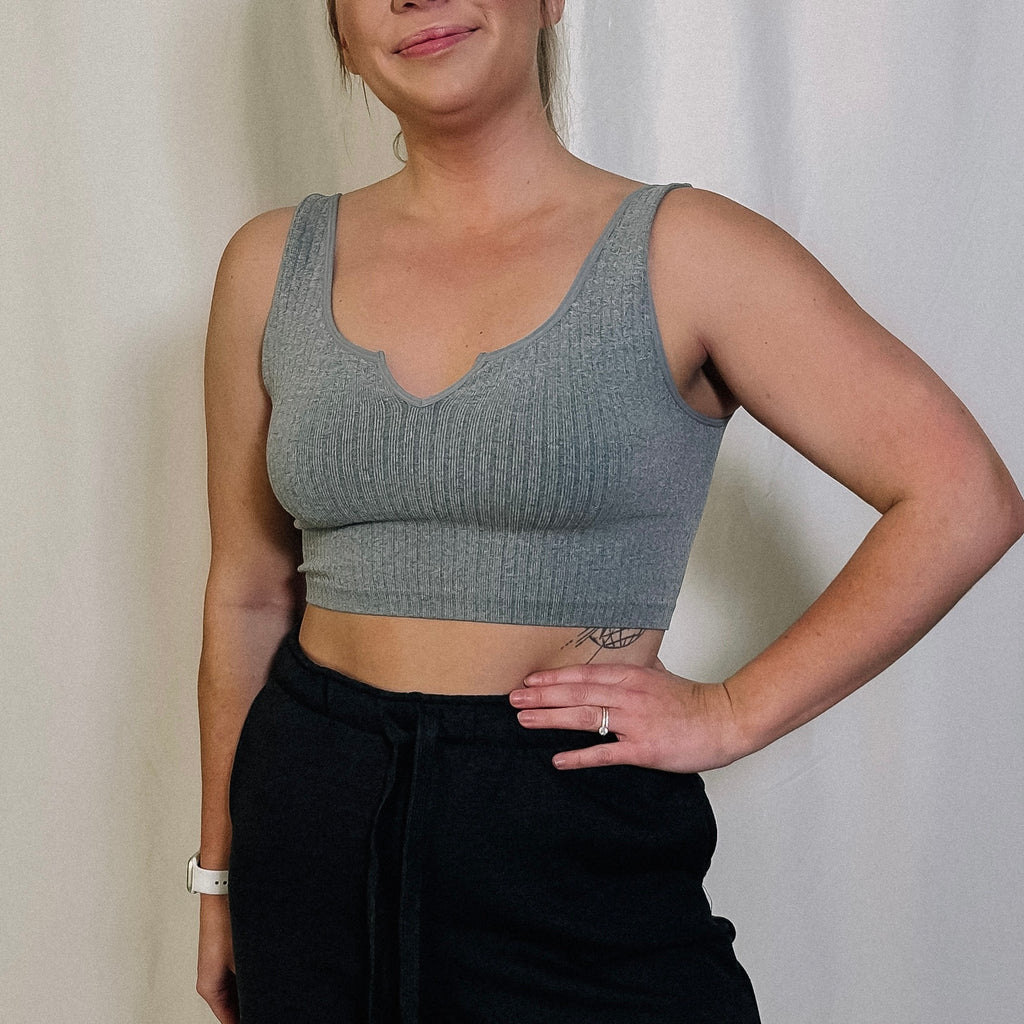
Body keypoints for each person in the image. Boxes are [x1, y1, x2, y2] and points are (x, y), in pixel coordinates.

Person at [192, 2, 1024, 1022]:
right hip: (309, 827)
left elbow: (962, 496)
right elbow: (246, 593)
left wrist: (731, 711)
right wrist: (218, 879)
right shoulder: (269, 265)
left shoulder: (688, 252)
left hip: (567, 827)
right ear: (340, 33)